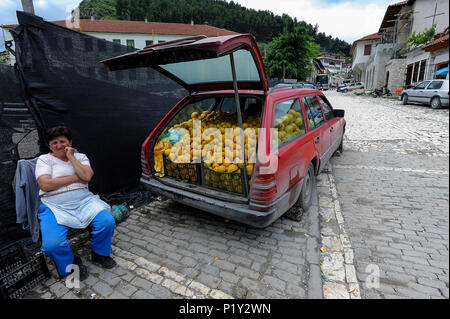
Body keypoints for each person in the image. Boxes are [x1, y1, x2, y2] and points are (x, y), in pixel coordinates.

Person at [35, 126, 116, 281]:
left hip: (84, 200)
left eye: (62, 141)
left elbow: (87, 176)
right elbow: (45, 185)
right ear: (49, 146)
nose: (59, 145)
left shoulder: (81, 157)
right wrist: (76, 178)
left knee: (107, 222)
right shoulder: (44, 160)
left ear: (70, 142)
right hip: (55, 204)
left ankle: (99, 253)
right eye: (54, 143)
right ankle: (70, 263)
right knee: (53, 244)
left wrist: (72, 157)